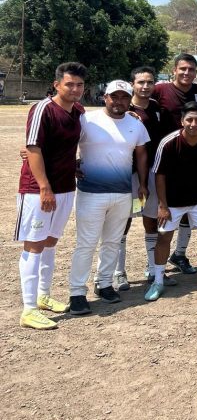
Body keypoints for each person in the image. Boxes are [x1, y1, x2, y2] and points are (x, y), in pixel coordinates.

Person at [67, 80, 150, 315]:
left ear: (130, 100)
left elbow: (142, 155)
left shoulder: (136, 124)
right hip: (91, 193)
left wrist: (143, 184)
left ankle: (104, 283)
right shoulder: (87, 120)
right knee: (86, 244)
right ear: (105, 97)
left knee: (113, 242)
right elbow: (66, 143)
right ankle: (77, 292)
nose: (119, 101)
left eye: (124, 97)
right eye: (115, 96)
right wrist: (70, 165)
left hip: (123, 193)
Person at [15, 62, 87, 330]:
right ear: (57, 85)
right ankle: (29, 309)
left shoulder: (78, 111)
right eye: (69, 84)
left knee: (50, 242)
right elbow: (33, 148)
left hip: (66, 187)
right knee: (34, 245)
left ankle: (43, 296)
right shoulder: (42, 109)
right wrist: (44, 187)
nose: (75, 89)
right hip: (39, 190)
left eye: (79, 85)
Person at [145, 101, 197, 301]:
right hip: (172, 202)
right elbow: (159, 175)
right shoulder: (168, 142)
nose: (193, 124)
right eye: (189, 119)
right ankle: (158, 281)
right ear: (182, 121)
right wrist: (163, 206)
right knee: (164, 238)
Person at [152, 53, 197, 276]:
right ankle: (153, 270)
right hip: (164, 159)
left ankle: (180, 254)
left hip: (194, 163)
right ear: (174, 70)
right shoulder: (160, 90)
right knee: (158, 215)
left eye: (191, 69)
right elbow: (141, 102)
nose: (187, 73)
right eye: (183, 69)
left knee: (190, 210)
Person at [116, 65, 167, 291]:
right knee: (123, 221)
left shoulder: (156, 108)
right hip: (128, 173)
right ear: (132, 84)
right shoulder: (123, 109)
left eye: (149, 82)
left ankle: (153, 268)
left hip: (152, 172)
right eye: (141, 82)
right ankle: (118, 272)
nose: (145, 86)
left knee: (151, 220)